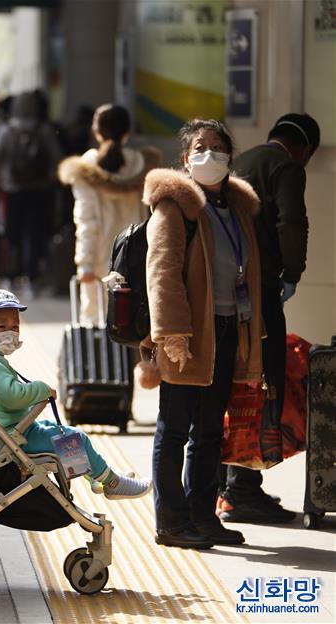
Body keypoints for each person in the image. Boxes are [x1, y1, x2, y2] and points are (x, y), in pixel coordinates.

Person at [142, 119, 264, 549]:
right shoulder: (175, 206)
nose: (209, 155)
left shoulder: (238, 206)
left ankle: (202, 515)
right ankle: (171, 521)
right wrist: (172, 333)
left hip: (228, 329)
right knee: (175, 427)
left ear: (230, 156)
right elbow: (162, 273)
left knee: (210, 429)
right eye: (200, 148)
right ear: (185, 158)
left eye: (218, 147)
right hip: (188, 335)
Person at [217, 113, 321, 524]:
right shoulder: (288, 167)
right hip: (260, 293)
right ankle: (241, 490)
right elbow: (291, 223)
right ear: (304, 148)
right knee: (264, 381)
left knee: (233, 381)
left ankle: (228, 485)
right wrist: (291, 274)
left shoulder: (241, 162)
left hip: (229, 291)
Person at [0, 289, 152, 499]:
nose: (11, 332)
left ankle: (96, 476)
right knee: (75, 439)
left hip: (11, 431)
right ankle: (112, 483)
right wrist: (41, 389)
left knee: (56, 430)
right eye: (2, 326)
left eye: (15, 326)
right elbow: (12, 397)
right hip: (13, 437)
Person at [58, 104, 161, 324]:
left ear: (96, 132)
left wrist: (84, 264)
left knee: (98, 324)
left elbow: (86, 221)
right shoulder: (142, 166)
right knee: (136, 323)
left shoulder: (86, 169)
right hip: (137, 258)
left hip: (99, 263)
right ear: (127, 132)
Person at [0, 91, 62, 295]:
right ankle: (32, 280)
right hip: (39, 191)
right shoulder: (43, 130)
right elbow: (56, 161)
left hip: (12, 192)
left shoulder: (5, 130)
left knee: (11, 236)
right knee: (35, 236)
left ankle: (10, 277)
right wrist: (49, 183)